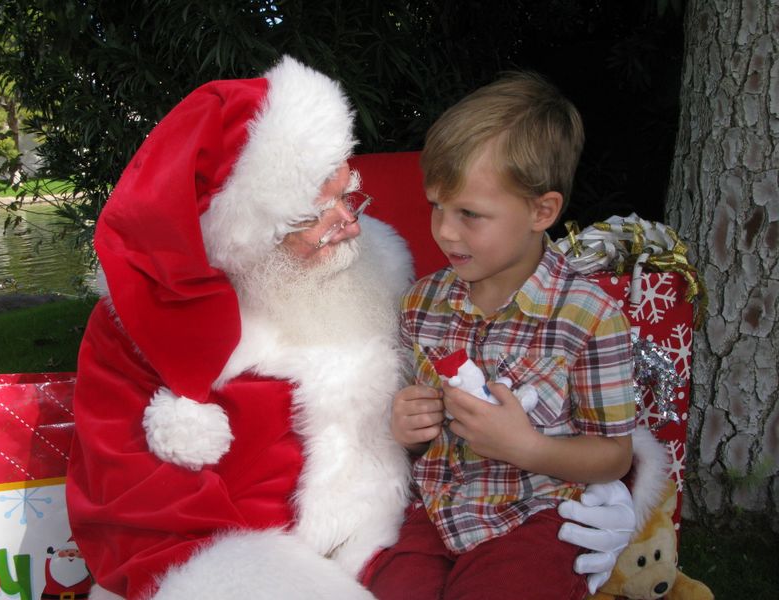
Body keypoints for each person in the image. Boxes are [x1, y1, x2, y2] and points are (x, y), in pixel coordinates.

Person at [67, 57, 638, 600]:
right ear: (248, 234)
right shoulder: (136, 330)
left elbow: (571, 399)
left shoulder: (393, 270)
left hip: (407, 532)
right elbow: (136, 514)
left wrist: (611, 489)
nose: (350, 222)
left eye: (348, 191)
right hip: (253, 570)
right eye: (318, 212)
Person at [368, 72, 638, 599]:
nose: (445, 230)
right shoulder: (421, 303)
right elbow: (409, 423)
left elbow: (614, 456)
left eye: (470, 213)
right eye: (436, 206)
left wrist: (528, 446)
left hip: (535, 518)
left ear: (543, 211)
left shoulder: (590, 316)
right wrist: (405, 424)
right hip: (435, 512)